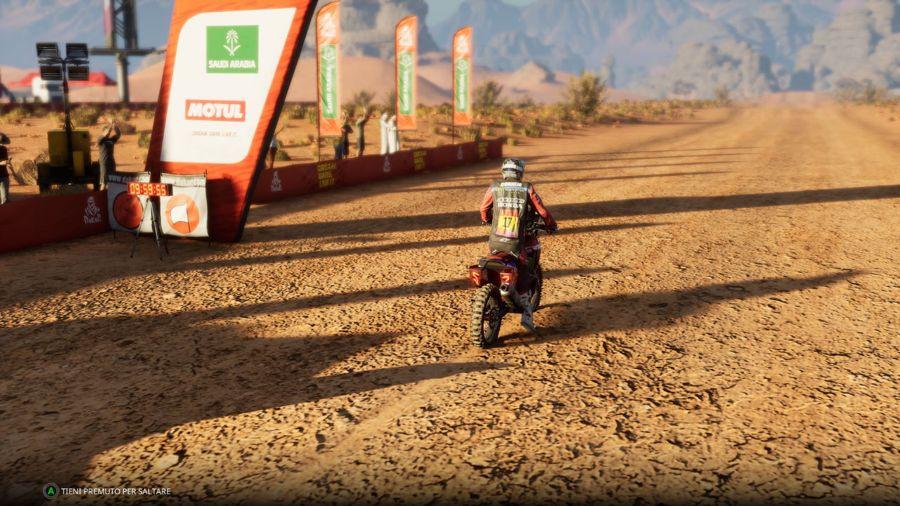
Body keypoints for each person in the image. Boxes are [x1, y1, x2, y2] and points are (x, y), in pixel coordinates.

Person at [479, 158, 558, 331]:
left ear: (503, 172)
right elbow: (542, 211)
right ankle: (526, 313)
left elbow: (484, 210)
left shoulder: (494, 187)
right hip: (516, 243)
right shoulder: (526, 188)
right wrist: (550, 224)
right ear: (520, 173)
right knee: (525, 273)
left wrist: (487, 220)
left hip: (495, 242)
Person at [96, 120, 121, 190]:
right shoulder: (100, 139)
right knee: (104, 182)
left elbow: (118, 134)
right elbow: (105, 133)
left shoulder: (111, 140)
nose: (109, 133)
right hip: (104, 162)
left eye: (110, 132)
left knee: (111, 182)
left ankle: (108, 197)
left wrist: (115, 126)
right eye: (107, 131)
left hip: (111, 162)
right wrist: (110, 125)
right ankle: (100, 196)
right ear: (103, 132)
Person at [0, 133, 10, 205]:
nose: (2, 144)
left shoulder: (4, 149)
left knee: (5, 200)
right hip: (3, 176)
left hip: (4, 175)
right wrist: (1, 163)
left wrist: (7, 162)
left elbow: (5, 160)